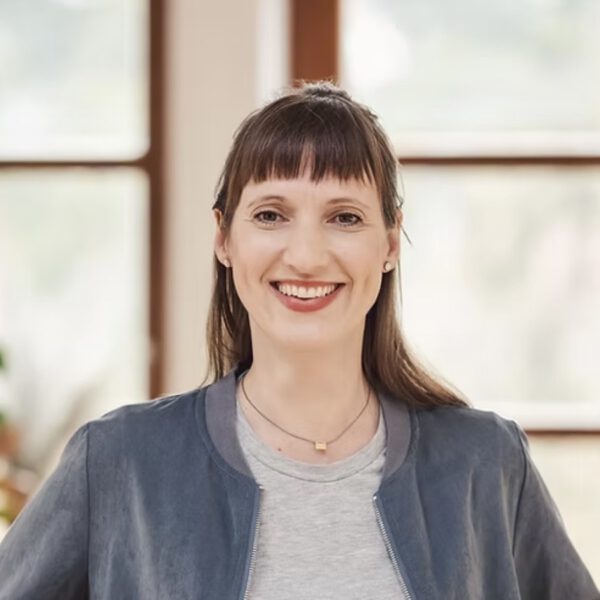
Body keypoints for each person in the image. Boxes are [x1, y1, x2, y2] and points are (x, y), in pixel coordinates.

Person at [0, 83, 598, 600]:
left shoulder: (486, 464)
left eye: (345, 217)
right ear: (223, 238)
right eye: (270, 215)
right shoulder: (119, 462)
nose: (307, 256)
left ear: (390, 244)